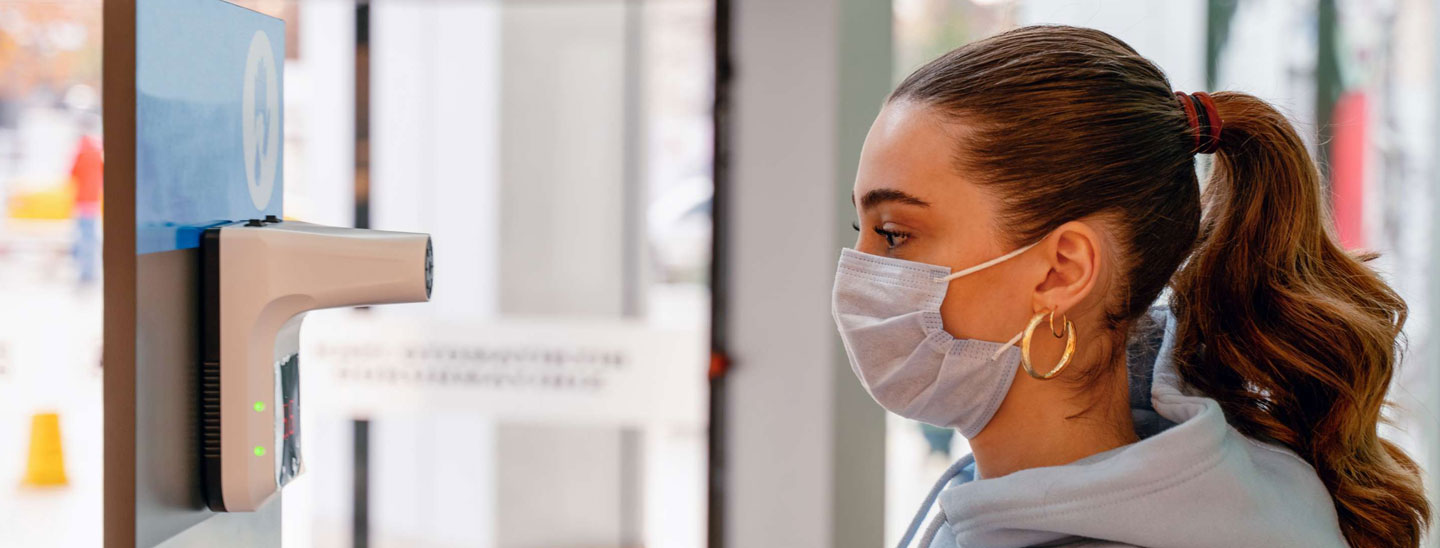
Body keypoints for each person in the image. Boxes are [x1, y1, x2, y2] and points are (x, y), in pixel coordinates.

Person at [831, 25, 1428, 548]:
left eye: (895, 235)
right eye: (862, 228)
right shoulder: (1241, 486)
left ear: (1063, 270)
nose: (859, 272)